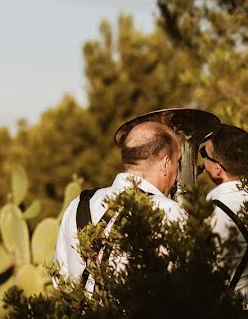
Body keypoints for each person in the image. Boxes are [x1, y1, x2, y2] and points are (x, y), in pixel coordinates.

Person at [55, 120, 186, 283]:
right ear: (166, 164)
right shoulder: (169, 211)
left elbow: (61, 279)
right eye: (177, 162)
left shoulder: (79, 203)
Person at [201, 124, 248, 305]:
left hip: (232, 318)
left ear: (218, 168)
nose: (202, 163)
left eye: (204, 155)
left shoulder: (209, 211)